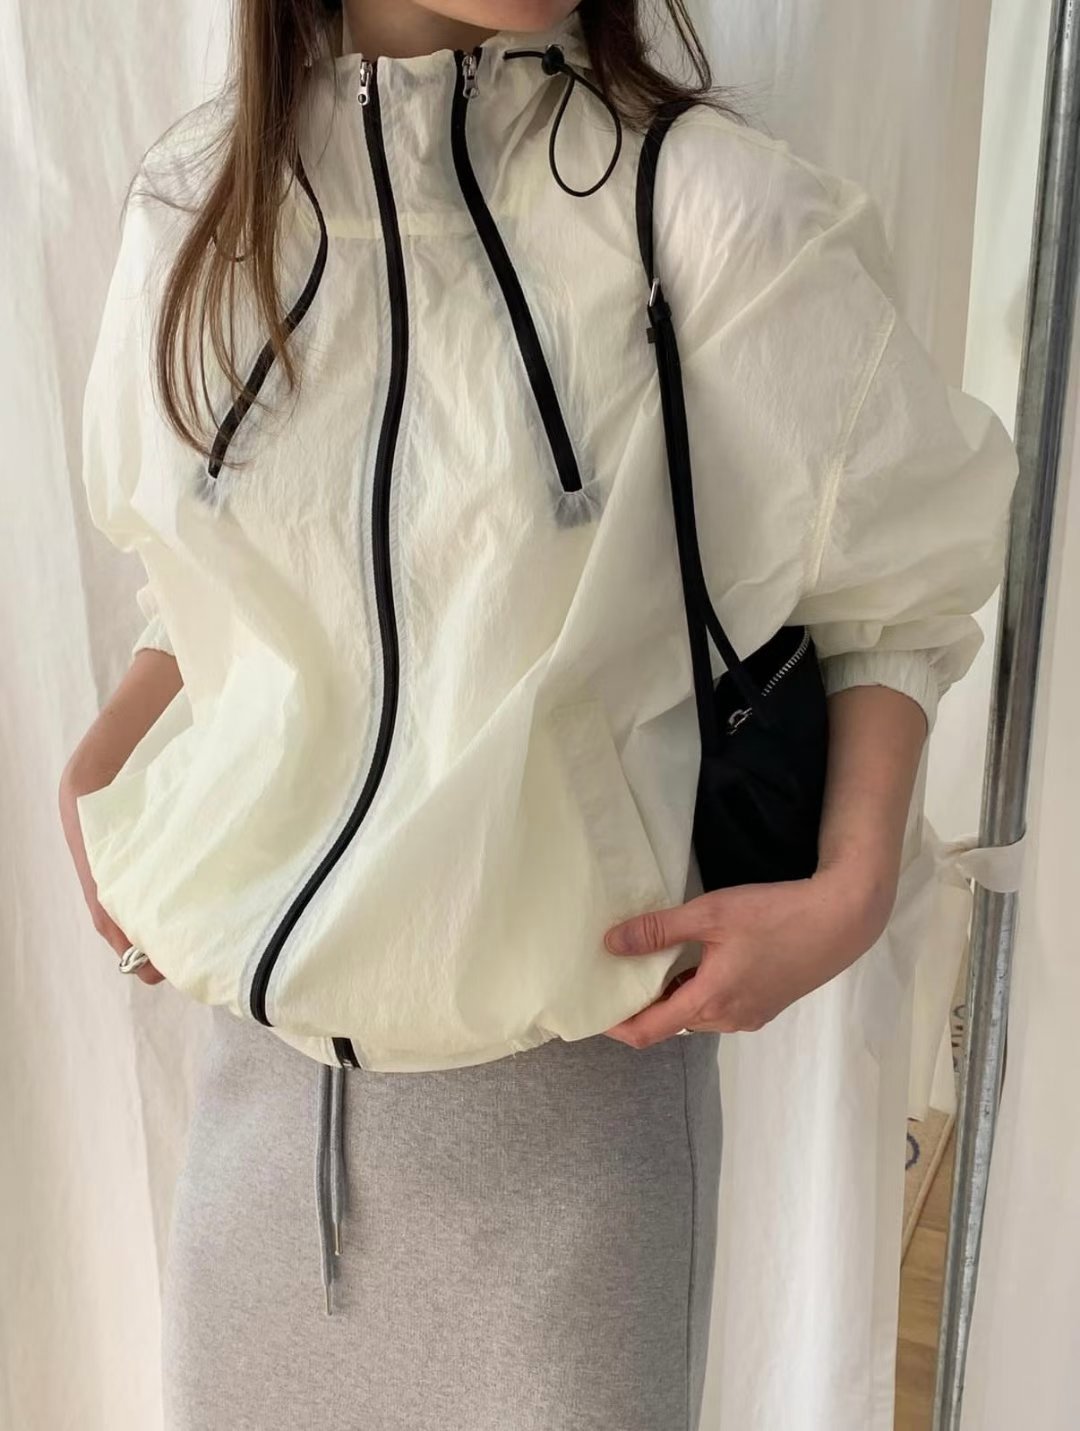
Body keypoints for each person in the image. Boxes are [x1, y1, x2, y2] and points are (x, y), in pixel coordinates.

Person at [57, 1, 1019, 1427]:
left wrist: (856, 884)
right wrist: (97, 771)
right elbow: (210, 595)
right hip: (257, 1113)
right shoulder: (204, 206)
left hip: (566, 1134)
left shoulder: (700, 210)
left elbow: (895, 578)